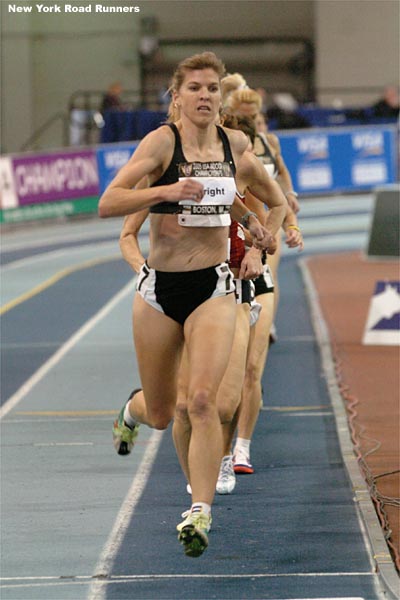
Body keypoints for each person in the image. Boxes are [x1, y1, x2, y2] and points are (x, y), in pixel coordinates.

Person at [98, 51, 286, 558]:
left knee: (202, 402)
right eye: (196, 88)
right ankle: (133, 410)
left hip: (214, 287)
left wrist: (258, 229)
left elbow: (239, 199)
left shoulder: (234, 143)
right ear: (176, 96)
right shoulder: (162, 143)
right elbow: (107, 202)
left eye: (212, 89)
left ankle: (199, 511)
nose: (206, 96)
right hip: (160, 291)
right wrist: (167, 189)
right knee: (163, 413)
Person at [224, 87, 304, 473]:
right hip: (217, 268)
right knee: (220, 378)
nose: (252, 120)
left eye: (256, 116)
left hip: (259, 256)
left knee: (253, 367)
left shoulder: (262, 150)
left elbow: (281, 192)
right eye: (244, 114)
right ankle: (215, 452)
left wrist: (289, 223)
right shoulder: (215, 159)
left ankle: (241, 448)